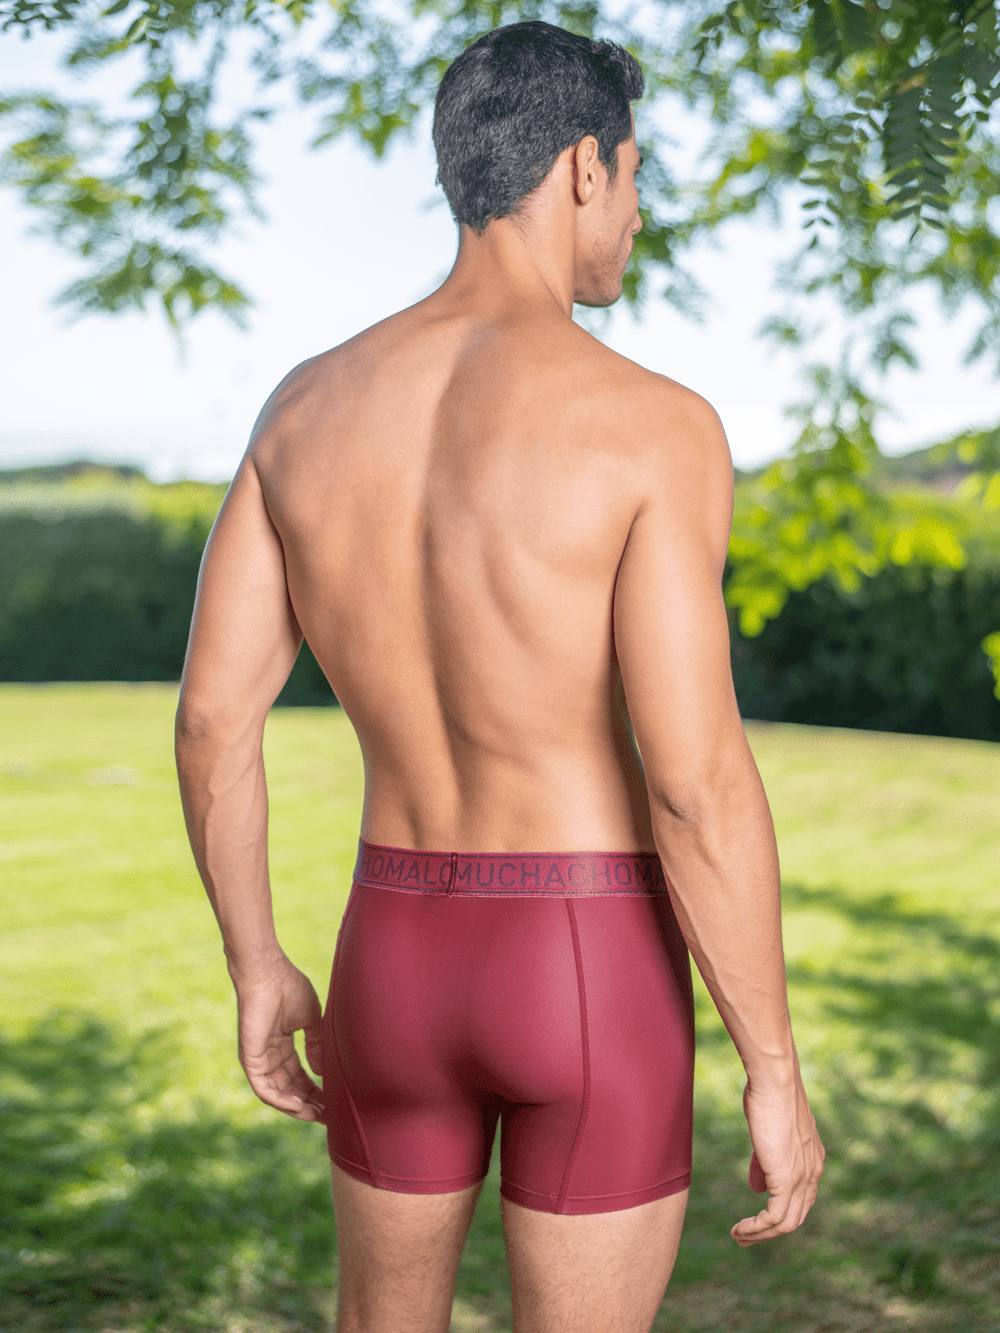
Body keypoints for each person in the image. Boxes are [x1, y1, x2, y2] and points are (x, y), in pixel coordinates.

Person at [175, 19, 825, 1333]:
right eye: (634, 178)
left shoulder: (303, 409)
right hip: (583, 958)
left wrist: (258, 962)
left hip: (389, 957)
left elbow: (210, 722)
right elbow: (693, 783)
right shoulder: (654, 428)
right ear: (583, 167)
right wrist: (773, 1065)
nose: (636, 216)